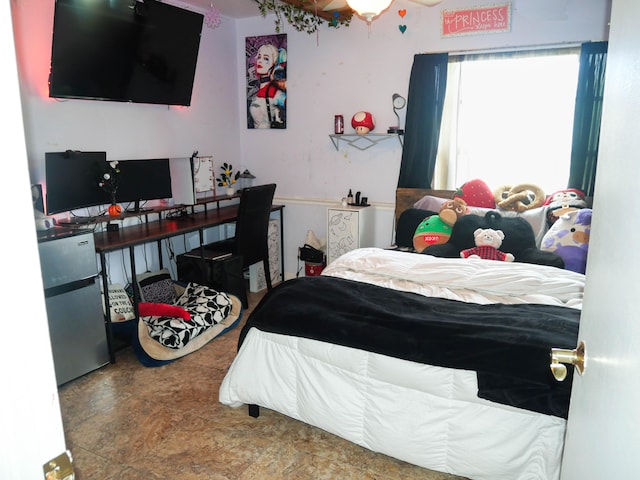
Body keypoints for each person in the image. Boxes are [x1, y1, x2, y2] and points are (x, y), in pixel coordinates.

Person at [247, 43, 287, 129]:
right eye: (259, 57)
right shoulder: (255, 91)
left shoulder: (274, 92)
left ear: (274, 64)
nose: (260, 61)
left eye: (266, 58)